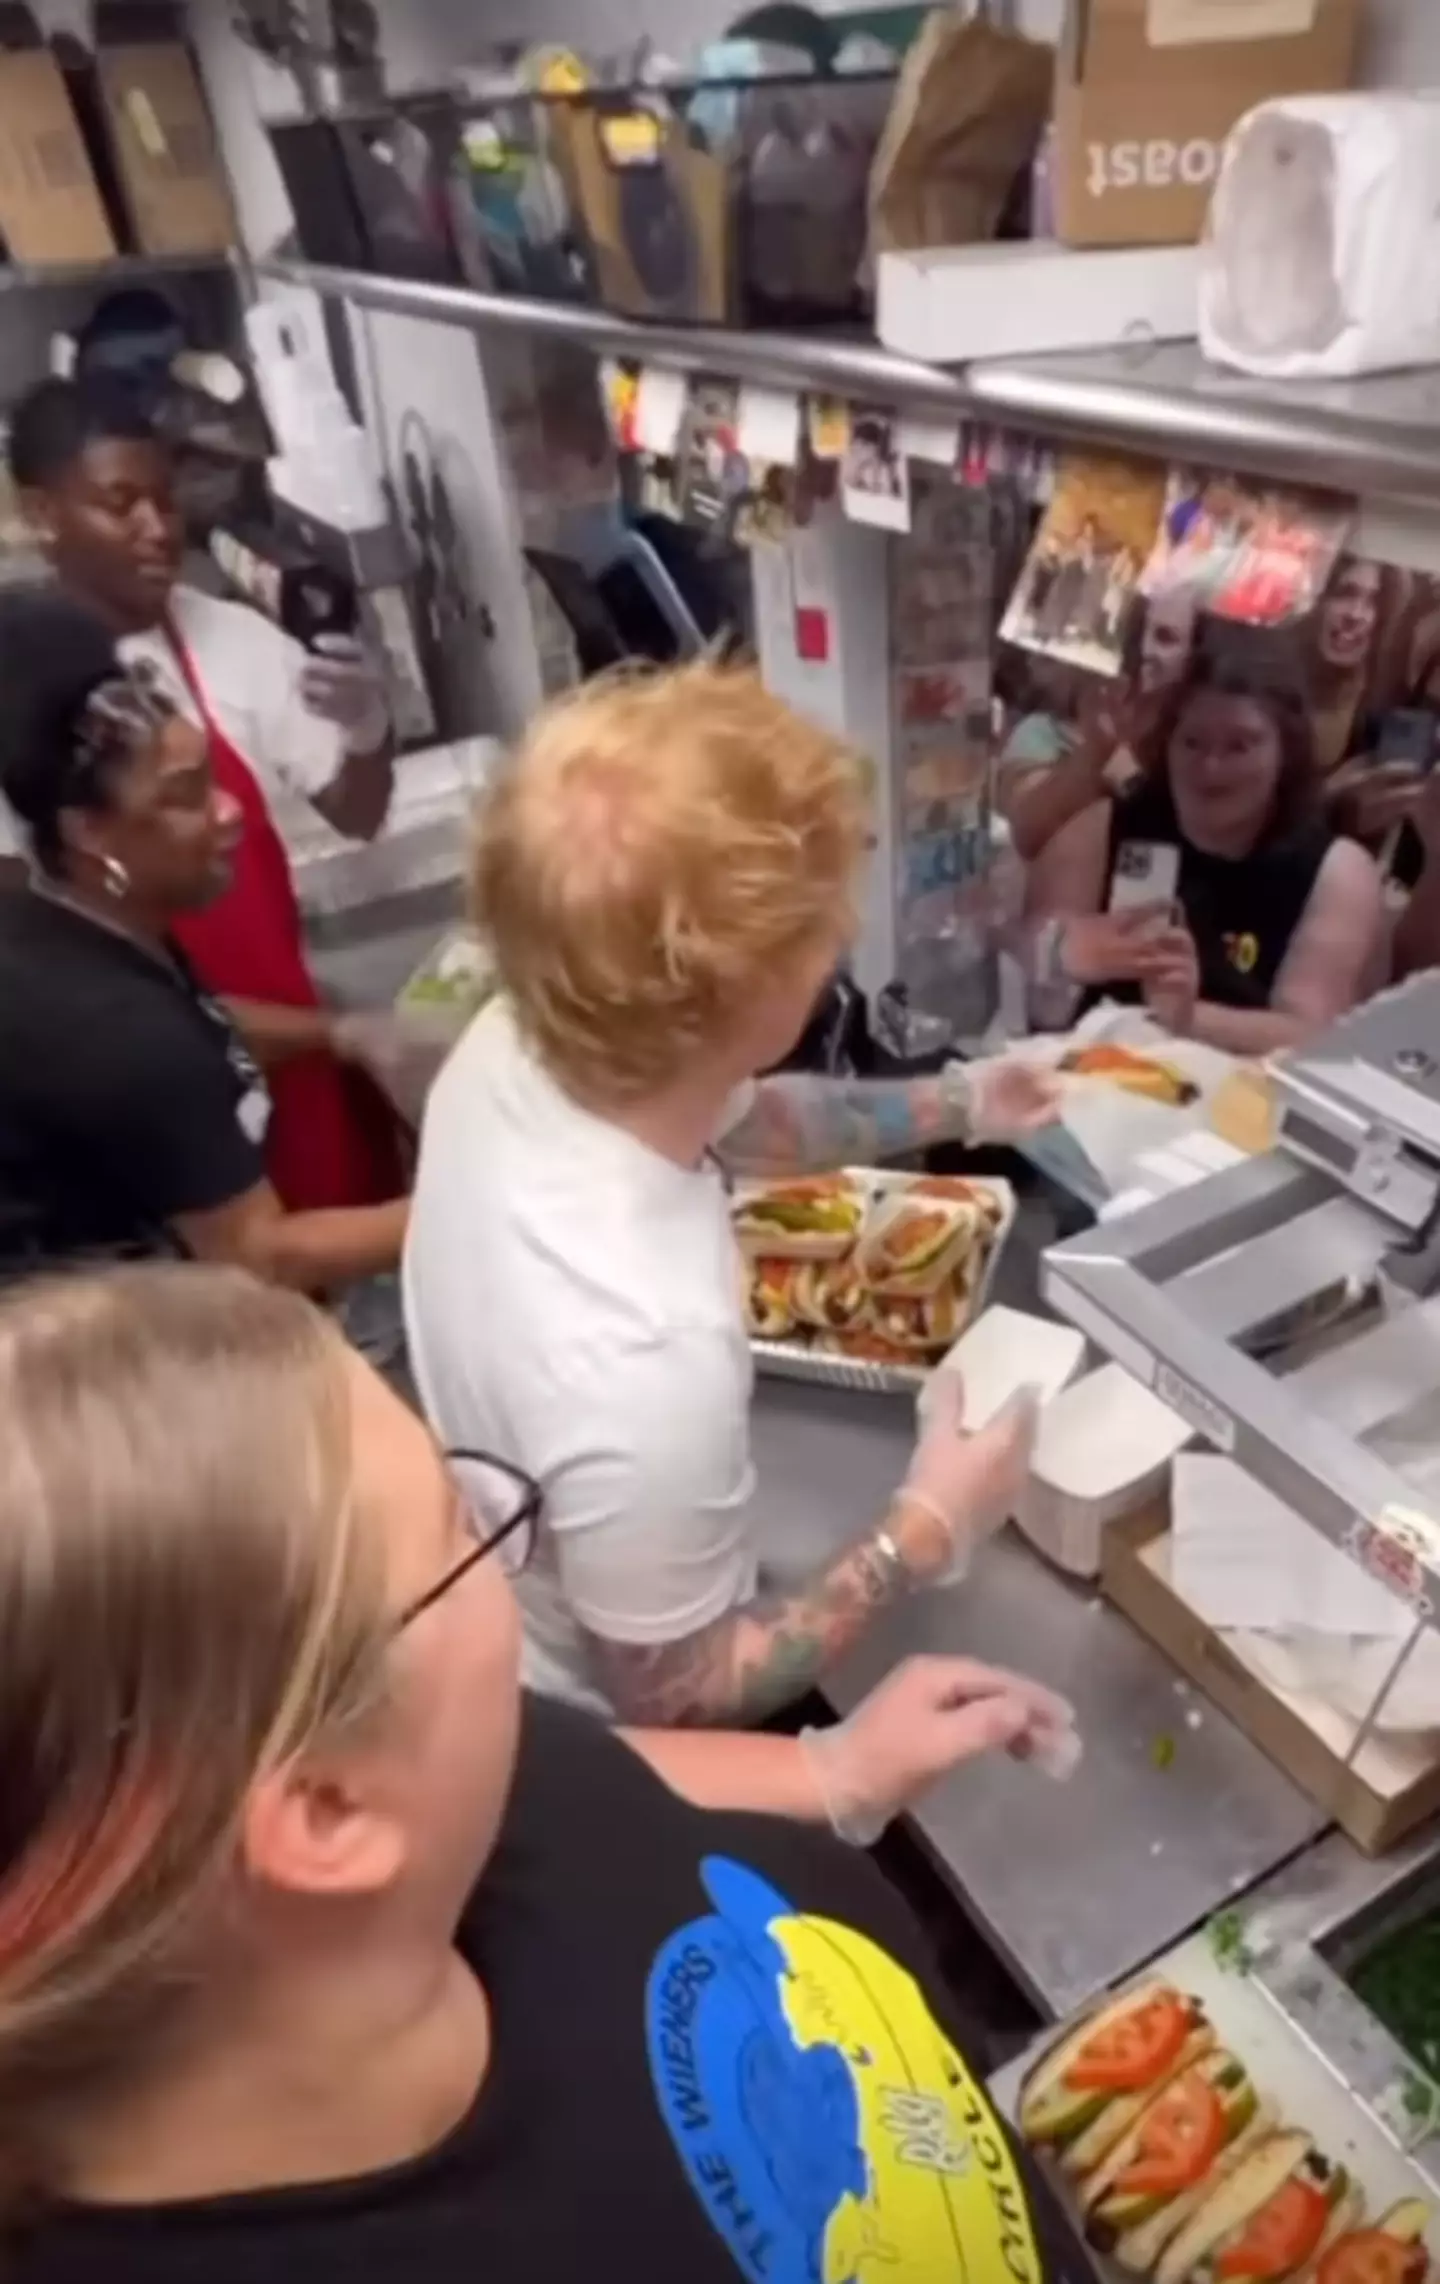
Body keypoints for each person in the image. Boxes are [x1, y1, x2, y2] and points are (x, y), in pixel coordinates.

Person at [0, 1260, 1089, 2282]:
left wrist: (829, 1773)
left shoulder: (382, 1796)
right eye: (460, 1528)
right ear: (328, 1812)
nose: (496, 1531)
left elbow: (561, 1766)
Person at [405, 663, 1059, 1726]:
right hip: (571, 1728)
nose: (840, 933)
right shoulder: (641, 1354)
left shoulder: (527, 1030)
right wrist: (924, 1527)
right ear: (749, 994)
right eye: (820, 923)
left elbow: (734, 1111)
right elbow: (685, 1695)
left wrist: (961, 1100)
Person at [6, 377, 404, 1217]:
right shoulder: (19, 709)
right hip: (147, 1099)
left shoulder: (232, 639)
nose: (157, 530)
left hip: (294, 1073)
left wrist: (369, 732)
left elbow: (359, 813)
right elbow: (40, 977)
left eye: (164, 499)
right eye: (121, 504)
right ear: (44, 514)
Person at [0, 592, 407, 1287]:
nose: (228, 812)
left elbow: (201, 1023)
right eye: (184, 797)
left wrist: (343, 1032)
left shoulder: (80, 917)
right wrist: (475, 1201)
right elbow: (261, 1254)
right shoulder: (111, 1030)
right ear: (89, 833)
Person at [1023, 657, 1384, 1055]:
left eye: (1239, 746)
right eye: (1193, 742)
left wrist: (1188, 1017)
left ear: (1285, 753)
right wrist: (1060, 956)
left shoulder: (1335, 871)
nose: (1211, 767)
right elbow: (1023, 962)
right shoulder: (1106, 824)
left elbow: (1309, 1035)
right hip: (1088, 1080)